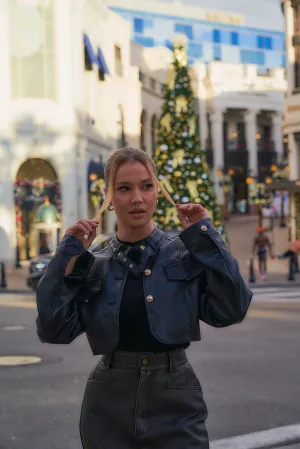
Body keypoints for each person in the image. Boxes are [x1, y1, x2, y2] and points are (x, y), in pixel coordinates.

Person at [36, 147, 252, 449]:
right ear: (108, 197)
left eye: (146, 186)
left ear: (158, 192)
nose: (137, 198)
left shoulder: (184, 254)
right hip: (108, 403)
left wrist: (206, 234)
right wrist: (65, 257)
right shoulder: (94, 264)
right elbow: (53, 330)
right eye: (124, 188)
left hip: (176, 399)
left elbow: (233, 308)